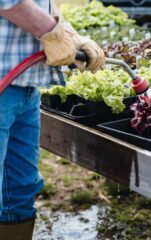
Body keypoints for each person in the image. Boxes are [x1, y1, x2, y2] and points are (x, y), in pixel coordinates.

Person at [0, 0, 105, 239]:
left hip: (25, 86)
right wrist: (50, 32)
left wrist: (69, 34)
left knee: (19, 191)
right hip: (3, 84)